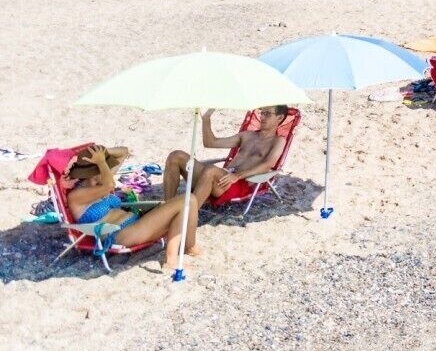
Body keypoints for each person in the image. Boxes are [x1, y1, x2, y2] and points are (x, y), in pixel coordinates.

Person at [63, 144, 206, 271]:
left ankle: (187, 248)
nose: (106, 169)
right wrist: (101, 161)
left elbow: (124, 152)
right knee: (187, 200)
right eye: (103, 167)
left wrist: (103, 151)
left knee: (188, 201)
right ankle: (175, 259)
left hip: (136, 225)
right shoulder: (76, 196)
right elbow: (109, 186)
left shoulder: (101, 179)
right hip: (121, 234)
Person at [165, 106, 298, 204]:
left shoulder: (278, 141)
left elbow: (268, 164)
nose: (262, 117)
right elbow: (210, 143)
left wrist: (237, 176)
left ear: (280, 118)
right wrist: (206, 119)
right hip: (221, 177)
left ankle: (188, 217)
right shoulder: (247, 135)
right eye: (262, 113)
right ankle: (167, 207)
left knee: (211, 170)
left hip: (239, 183)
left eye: (267, 114)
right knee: (176, 156)